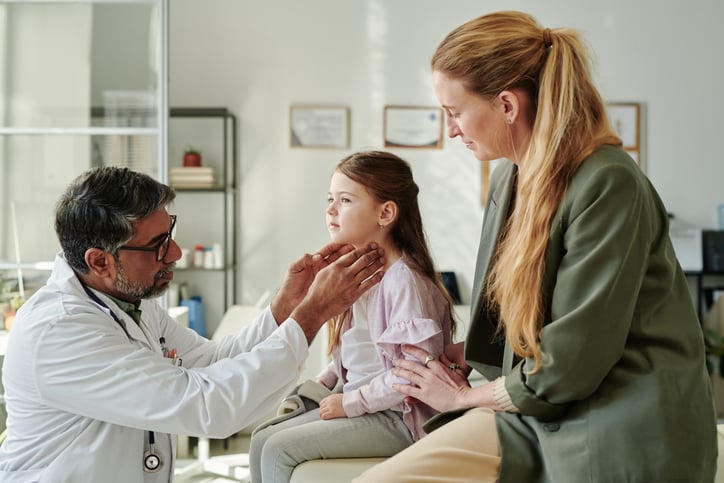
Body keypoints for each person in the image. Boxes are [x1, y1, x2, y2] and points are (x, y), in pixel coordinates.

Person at [355, 10, 717, 483]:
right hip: (537, 408)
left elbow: (572, 361)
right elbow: (521, 324)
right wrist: (459, 355)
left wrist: (461, 399)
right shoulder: (508, 179)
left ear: (506, 105)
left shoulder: (608, 182)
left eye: (455, 112)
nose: (452, 130)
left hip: (616, 415)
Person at [0, 166, 385, 482]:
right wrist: (313, 313)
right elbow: (208, 405)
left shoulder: (128, 301)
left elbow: (210, 361)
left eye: (170, 232)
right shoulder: (60, 332)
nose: (176, 252)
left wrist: (286, 307)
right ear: (100, 261)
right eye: (157, 244)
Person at [248, 150, 456, 483]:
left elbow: (412, 376)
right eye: (330, 199)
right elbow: (365, 350)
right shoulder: (363, 275)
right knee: (261, 440)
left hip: (400, 417)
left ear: (385, 212)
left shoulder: (404, 282)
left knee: (277, 449)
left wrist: (350, 403)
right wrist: (329, 379)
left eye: (345, 200)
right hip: (369, 407)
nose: (330, 209)